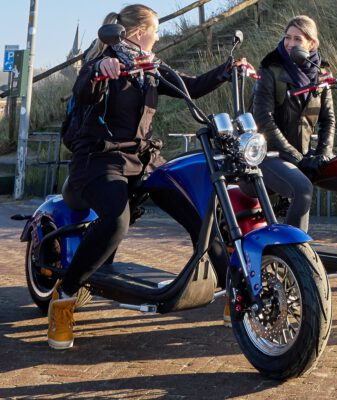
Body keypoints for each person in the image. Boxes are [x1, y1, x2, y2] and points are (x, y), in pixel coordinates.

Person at [48, 4, 246, 350]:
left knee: (201, 214)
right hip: (100, 159)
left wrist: (228, 70)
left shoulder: (151, 67)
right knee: (115, 220)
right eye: (155, 30)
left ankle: (236, 291)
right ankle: (64, 296)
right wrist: (101, 70)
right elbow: (84, 91)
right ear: (139, 33)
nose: (159, 36)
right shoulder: (101, 63)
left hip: (145, 159)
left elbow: (192, 86)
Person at [251, 15, 337, 290]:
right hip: (270, 156)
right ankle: (295, 273)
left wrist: (324, 153)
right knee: (302, 188)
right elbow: (263, 120)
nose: (290, 43)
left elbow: (328, 120)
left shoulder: (322, 73)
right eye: (288, 37)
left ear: (312, 43)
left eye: (298, 39)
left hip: (305, 157)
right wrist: (295, 156)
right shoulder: (270, 69)